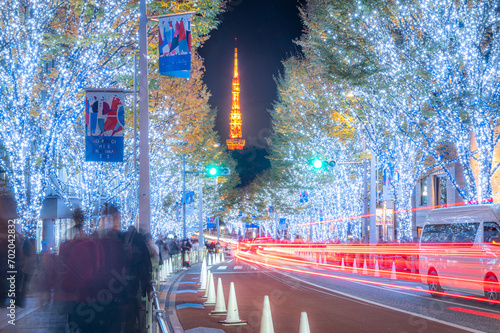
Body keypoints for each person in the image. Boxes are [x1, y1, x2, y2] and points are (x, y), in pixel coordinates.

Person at [122, 225, 152, 333]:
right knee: (140, 307)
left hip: (123, 280)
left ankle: (129, 327)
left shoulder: (122, 239)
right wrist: (148, 283)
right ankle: (141, 328)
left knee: (128, 306)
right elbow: (146, 262)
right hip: (137, 278)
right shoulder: (140, 240)